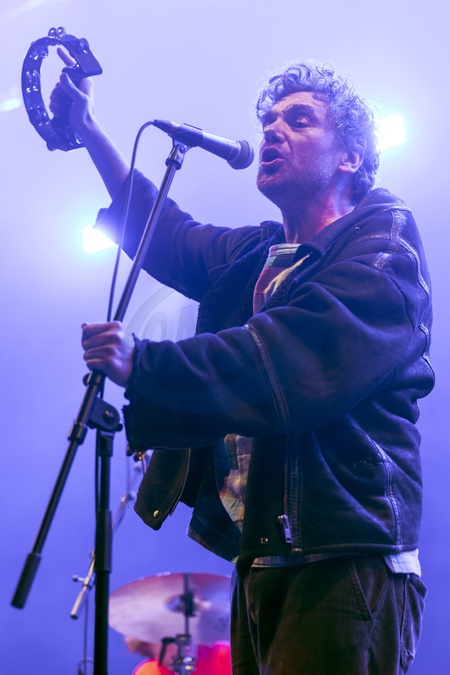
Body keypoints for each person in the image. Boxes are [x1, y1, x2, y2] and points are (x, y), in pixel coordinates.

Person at [50, 55, 434, 674]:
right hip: (262, 556)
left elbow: (285, 357)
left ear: (351, 157)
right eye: (268, 122)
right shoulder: (262, 254)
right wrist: (89, 130)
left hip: (343, 559)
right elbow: (167, 233)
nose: (273, 130)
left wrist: (145, 363)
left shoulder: (382, 251)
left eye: (299, 120)